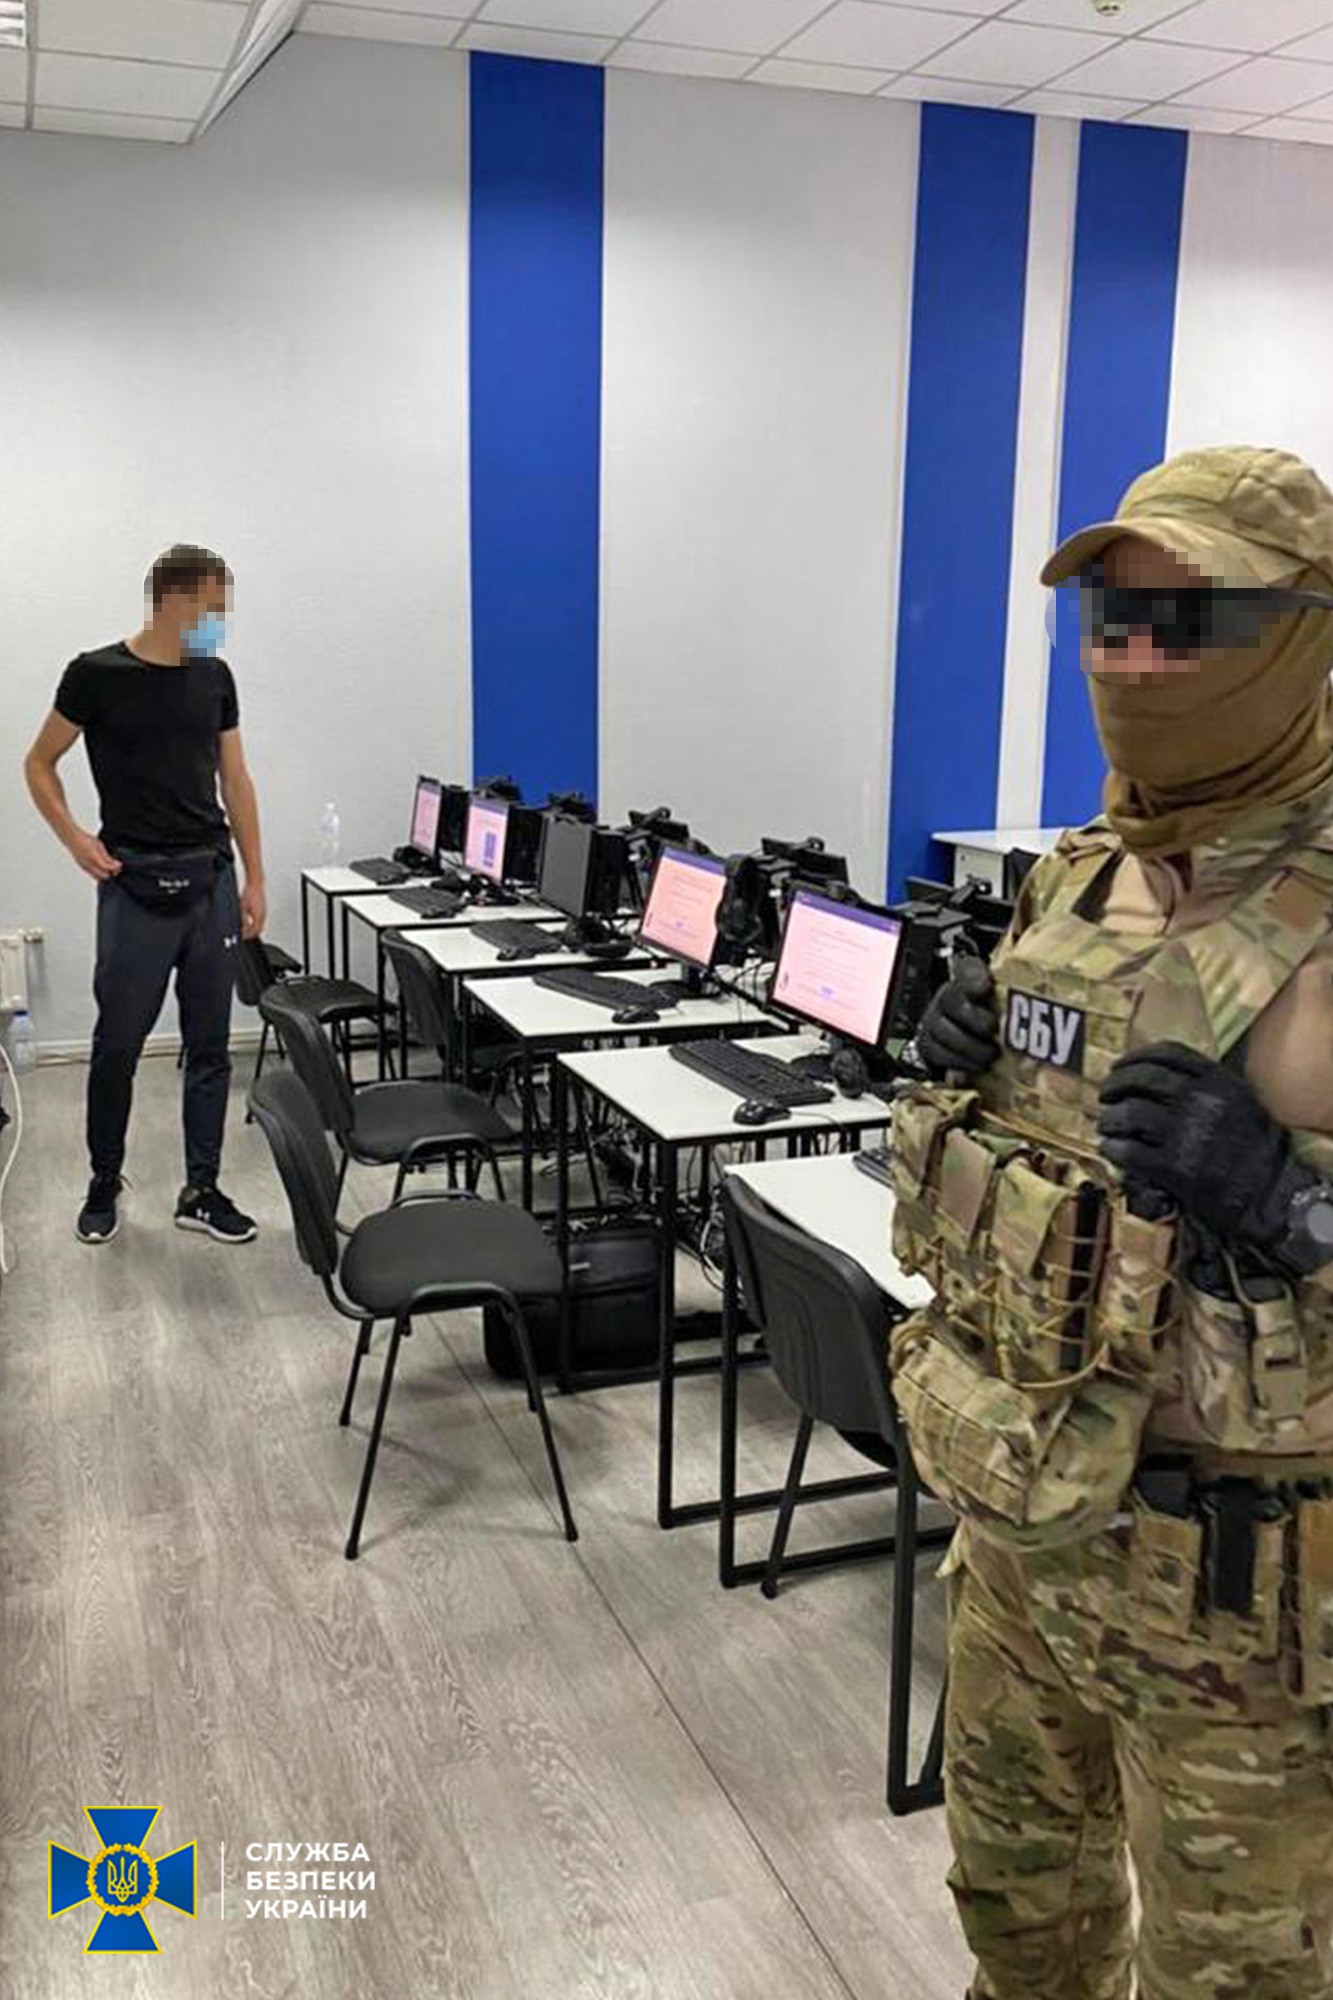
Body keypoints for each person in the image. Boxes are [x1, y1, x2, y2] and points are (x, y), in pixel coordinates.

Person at [899, 446, 1333, 1999]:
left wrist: (1291, 1204)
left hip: (1237, 1610)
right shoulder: (1071, 885)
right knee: (1017, 1928)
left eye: (1189, 622)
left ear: (1303, 633)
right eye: (1111, 621)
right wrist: (951, 1071)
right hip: (1025, 1538)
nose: (1135, 663)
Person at [24, 545, 267, 1246]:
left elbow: (235, 781)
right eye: (213, 607)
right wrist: (75, 838)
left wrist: (255, 876)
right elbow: (39, 762)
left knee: (210, 1045)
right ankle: (104, 1181)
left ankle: (203, 1189)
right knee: (118, 1045)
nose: (220, 621)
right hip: (132, 884)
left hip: (210, 881)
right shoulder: (95, 675)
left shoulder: (215, 676)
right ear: (174, 601)